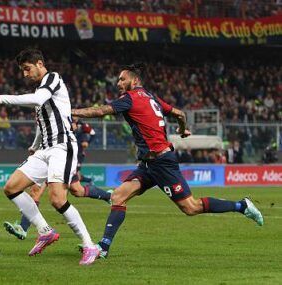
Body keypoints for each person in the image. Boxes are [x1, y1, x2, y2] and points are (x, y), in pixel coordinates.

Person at [71, 63, 264, 259]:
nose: (118, 82)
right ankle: (103, 247)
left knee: (191, 207)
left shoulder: (130, 98)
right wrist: (182, 129)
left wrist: (72, 111)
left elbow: (101, 111)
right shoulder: (151, 97)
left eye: (122, 79)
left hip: (162, 162)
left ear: (134, 80)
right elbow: (180, 113)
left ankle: (242, 206)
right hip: (148, 164)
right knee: (118, 197)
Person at [0, 48, 100, 265]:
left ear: (39, 64)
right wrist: (35, 146)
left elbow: (37, 100)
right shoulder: (41, 91)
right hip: (44, 149)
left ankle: (90, 245)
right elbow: (41, 122)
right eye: (22, 71)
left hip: (62, 147)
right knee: (11, 187)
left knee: (57, 199)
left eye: (27, 69)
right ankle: (45, 231)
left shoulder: (53, 79)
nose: (25, 74)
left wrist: (1, 98)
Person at [3, 126, 112, 240]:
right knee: (35, 192)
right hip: (45, 154)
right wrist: (35, 146)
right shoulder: (45, 114)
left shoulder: (77, 121)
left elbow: (92, 133)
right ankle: (23, 228)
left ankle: (107, 196)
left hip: (64, 156)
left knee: (76, 190)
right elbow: (41, 127)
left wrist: (85, 142)